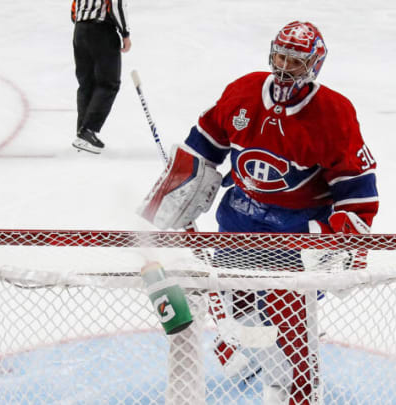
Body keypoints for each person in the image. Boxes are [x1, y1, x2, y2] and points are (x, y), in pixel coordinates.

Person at [139, 21, 379, 405]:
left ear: (314, 65)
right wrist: (180, 188)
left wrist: (341, 235)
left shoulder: (334, 114)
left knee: (285, 315)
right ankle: (266, 367)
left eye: (296, 62)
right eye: (280, 56)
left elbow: (356, 189)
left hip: (296, 232)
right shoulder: (244, 91)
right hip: (240, 220)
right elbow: (205, 146)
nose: (284, 67)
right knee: (238, 306)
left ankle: (297, 386)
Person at [71, 0, 131, 154]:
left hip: (80, 30)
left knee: (86, 84)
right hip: (102, 31)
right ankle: (88, 131)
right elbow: (117, 4)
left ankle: (81, 134)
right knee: (108, 83)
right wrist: (125, 33)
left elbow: (73, 8)